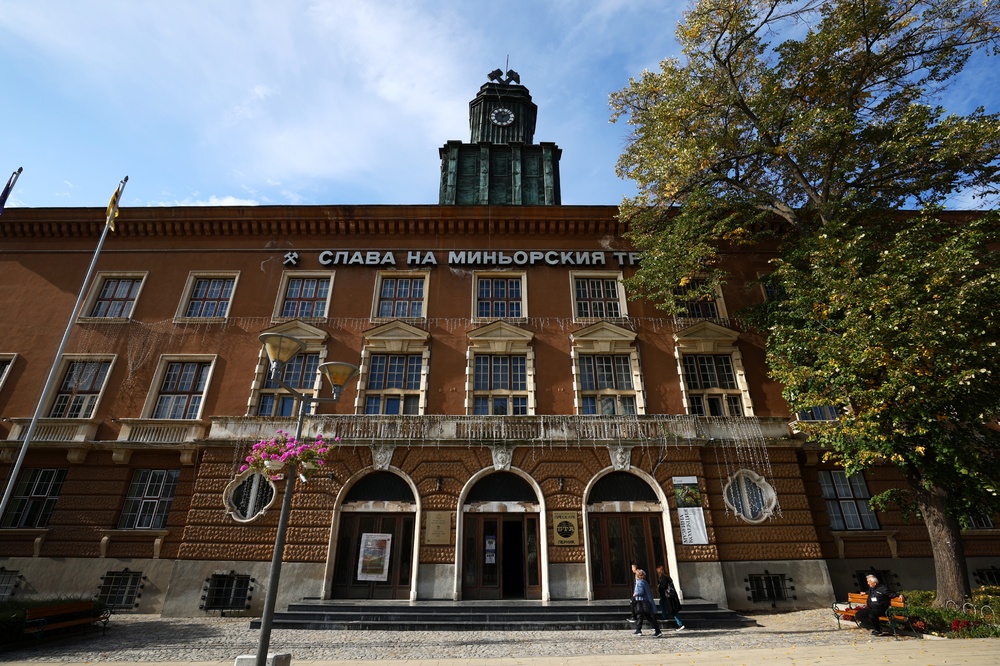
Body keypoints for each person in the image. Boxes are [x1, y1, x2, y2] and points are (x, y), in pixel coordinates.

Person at [631, 568, 662, 637]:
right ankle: (638, 630)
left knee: (646, 616)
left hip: (642, 601)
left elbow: (641, 591)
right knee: (643, 616)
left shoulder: (640, 582)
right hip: (645, 601)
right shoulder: (644, 581)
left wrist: (635, 593)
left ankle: (657, 631)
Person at [656, 564, 685, 631]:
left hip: (668, 597)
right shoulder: (666, 577)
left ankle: (680, 624)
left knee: (673, 611)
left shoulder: (663, 577)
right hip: (666, 597)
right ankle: (664, 616)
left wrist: (659, 586)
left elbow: (664, 586)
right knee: (662, 603)